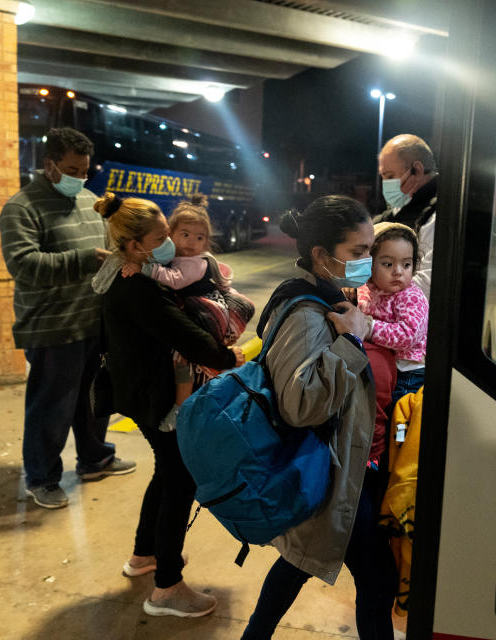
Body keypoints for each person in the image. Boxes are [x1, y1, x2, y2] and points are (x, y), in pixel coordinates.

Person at [242, 195, 397, 640]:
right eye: (358, 253)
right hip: (330, 469)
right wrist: (352, 341)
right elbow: (301, 404)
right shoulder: (309, 314)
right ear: (321, 255)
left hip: (335, 465)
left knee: (300, 562)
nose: (367, 261)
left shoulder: (327, 295)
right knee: (376, 578)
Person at [91, 192, 244, 618]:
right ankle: (166, 588)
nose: (172, 245)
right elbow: (188, 337)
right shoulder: (137, 285)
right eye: (163, 237)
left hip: (141, 390)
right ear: (137, 245)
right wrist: (228, 357)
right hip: (154, 396)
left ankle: (145, 555)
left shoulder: (128, 271)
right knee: (180, 480)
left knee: (167, 472)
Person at [0, 127, 135, 510]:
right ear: (50, 165)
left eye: (85, 170)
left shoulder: (90, 201)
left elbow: (109, 252)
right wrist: (85, 260)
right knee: (51, 406)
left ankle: (94, 459)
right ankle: (42, 476)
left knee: (93, 401)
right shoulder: (21, 208)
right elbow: (23, 265)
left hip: (92, 323)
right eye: (72, 169)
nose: (81, 178)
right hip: (52, 328)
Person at [121, 194, 254, 430]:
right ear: (170, 235)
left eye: (199, 238)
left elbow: (174, 280)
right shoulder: (176, 256)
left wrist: (143, 268)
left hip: (207, 311)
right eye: (185, 235)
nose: (192, 242)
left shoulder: (195, 262)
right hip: (196, 310)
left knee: (182, 359)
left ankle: (180, 408)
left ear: (206, 242)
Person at [358, 222, 429, 411]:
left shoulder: (411, 296)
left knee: (399, 416)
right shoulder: (367, 289)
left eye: (406, 264)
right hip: (388, 367)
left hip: (409, 373)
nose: (398, 271)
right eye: (388, 264)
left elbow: (408, 335)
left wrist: (370, 328)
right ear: (369, 265)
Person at [375, 134, 439, 300]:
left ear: (417, 170)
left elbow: (426, 283)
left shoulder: (435, 215)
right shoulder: (403, 207)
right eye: (383, 177)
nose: (385, 185)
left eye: (389, 176)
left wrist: (374, 295)